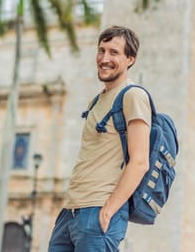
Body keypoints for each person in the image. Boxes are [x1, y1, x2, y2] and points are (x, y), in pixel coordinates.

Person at [48, 25, 152, 251]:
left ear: (130, 59)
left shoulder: (133, 96)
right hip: (70, 212)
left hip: (98, 210)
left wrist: (108, 210)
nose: (105, 58)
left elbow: (140, 161)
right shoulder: (95, 101)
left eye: (114, 52)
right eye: (101, 50)